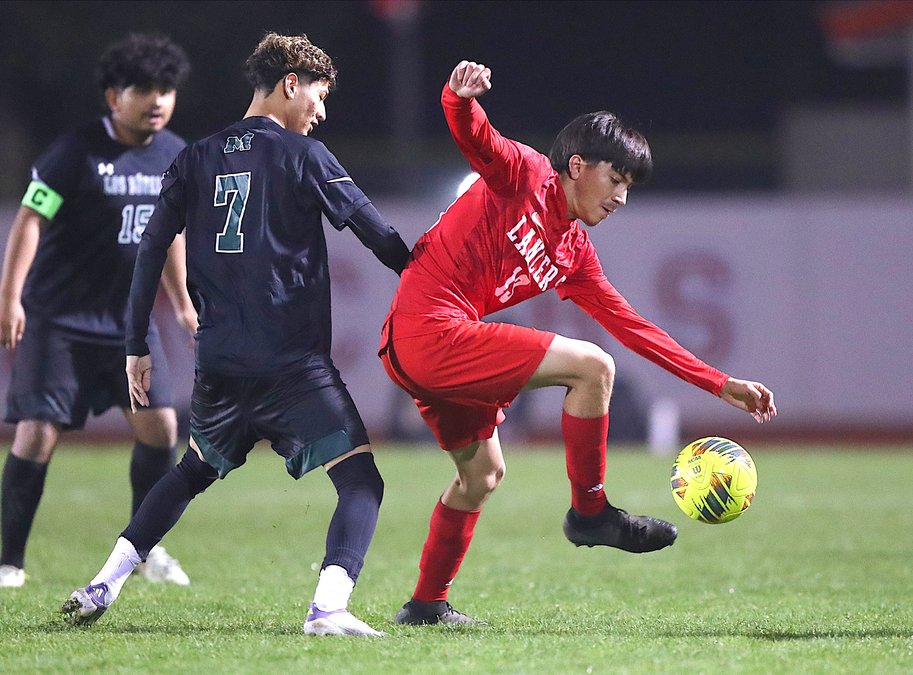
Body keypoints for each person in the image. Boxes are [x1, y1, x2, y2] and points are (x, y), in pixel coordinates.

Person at [379, 60, 778, 626]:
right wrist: (458, 96)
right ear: (576, 166)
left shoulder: (573, 252)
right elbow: (476, 137)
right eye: (616, 180)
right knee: (593, 367)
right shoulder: (525, 174)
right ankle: (590, 513)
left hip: (433, 348)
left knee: (482, 477)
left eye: (629, 187)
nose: (621, 198)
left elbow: (635, 327)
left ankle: (425, 605)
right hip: (429, 330)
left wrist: (720, 384)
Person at [61, 32, 410, 637]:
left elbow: (150, 248)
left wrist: (136, 345)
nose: (321, 112)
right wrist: (432, 276)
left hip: (220, 362)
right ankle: (327, 609)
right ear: (291, 84)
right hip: (292, 365)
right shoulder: (306, 156)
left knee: (192, 471)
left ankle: (103, 583)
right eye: (320, 96)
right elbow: (377, 236)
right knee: (361, 481)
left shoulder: (194, 157)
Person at [0, 34, 196, 589]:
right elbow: (31, 219)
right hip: (59, 321)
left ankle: (144, 549)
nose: (157, 100)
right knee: (37, 434)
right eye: (144, 89)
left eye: (166, 90)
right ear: (114, 96)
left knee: (161, 427)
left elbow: (169, 235)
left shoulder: (174, 154)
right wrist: (10, 297)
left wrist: (183, 304)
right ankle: (9, 561)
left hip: (128, 324)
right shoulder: (74, 152)